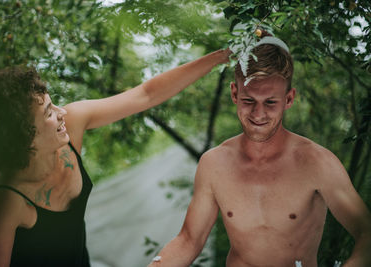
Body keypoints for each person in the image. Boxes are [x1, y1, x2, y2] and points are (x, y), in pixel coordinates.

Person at [0, 48, 231, 267]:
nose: (62, 112)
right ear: (23, 137)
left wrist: (218, 57)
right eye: (49, 113)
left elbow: (146, 94)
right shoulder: (8, 201)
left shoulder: (72, 124)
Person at [148, 31, 371, 267]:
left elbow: (367, 235)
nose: (258, 114)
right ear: (235, 93)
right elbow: (189, 241)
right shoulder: (214, 163)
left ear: (289, 99)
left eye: (270, 102)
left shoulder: (316, 162)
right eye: (249, 101)